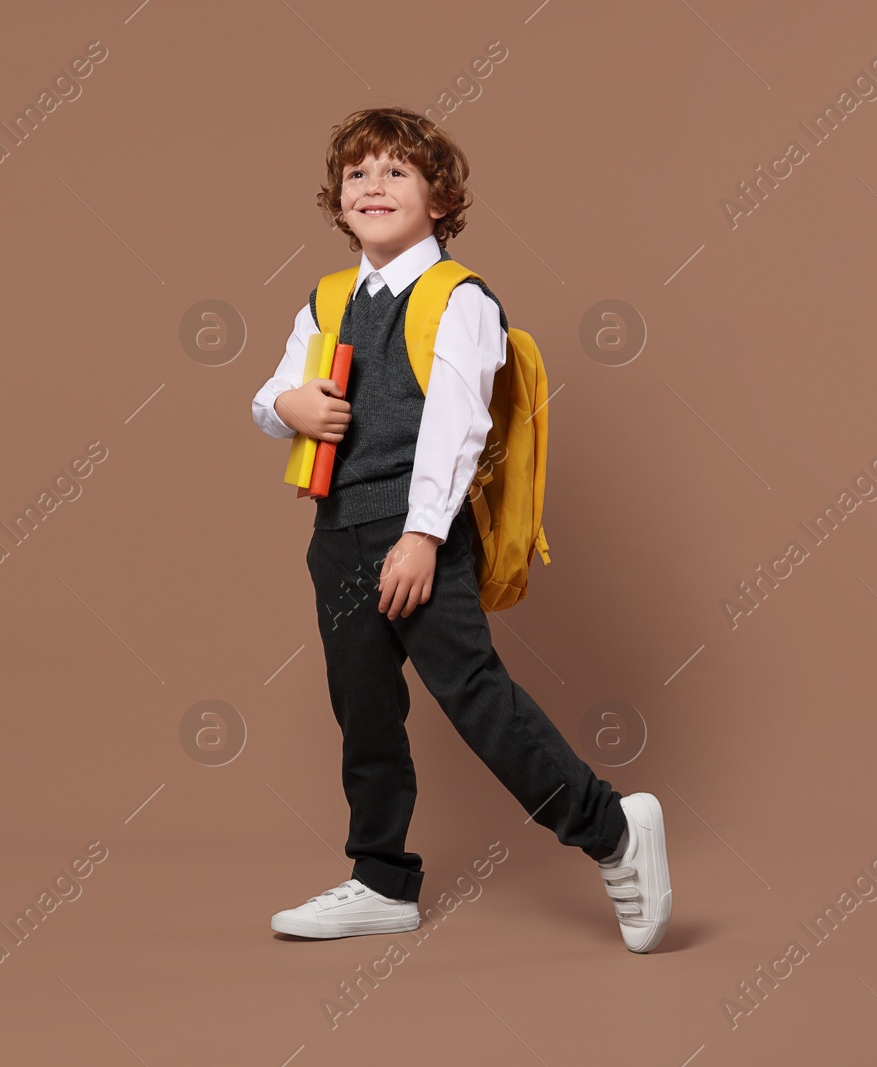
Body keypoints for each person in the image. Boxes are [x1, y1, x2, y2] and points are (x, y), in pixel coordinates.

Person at [250, 106, 671, 952]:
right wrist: (282, 404)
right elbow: (273, 395)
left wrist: (423, 536)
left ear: (439, 199)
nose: (373, 186)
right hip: (338, 536)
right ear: (337, 200)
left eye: (396, 173)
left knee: (476, 700)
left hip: (416, 536)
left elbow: (457, 427)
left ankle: (614, 829)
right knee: (362, 710)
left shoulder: (459, 299)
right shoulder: (329, 298)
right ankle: (379, 878)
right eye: (358, 174)